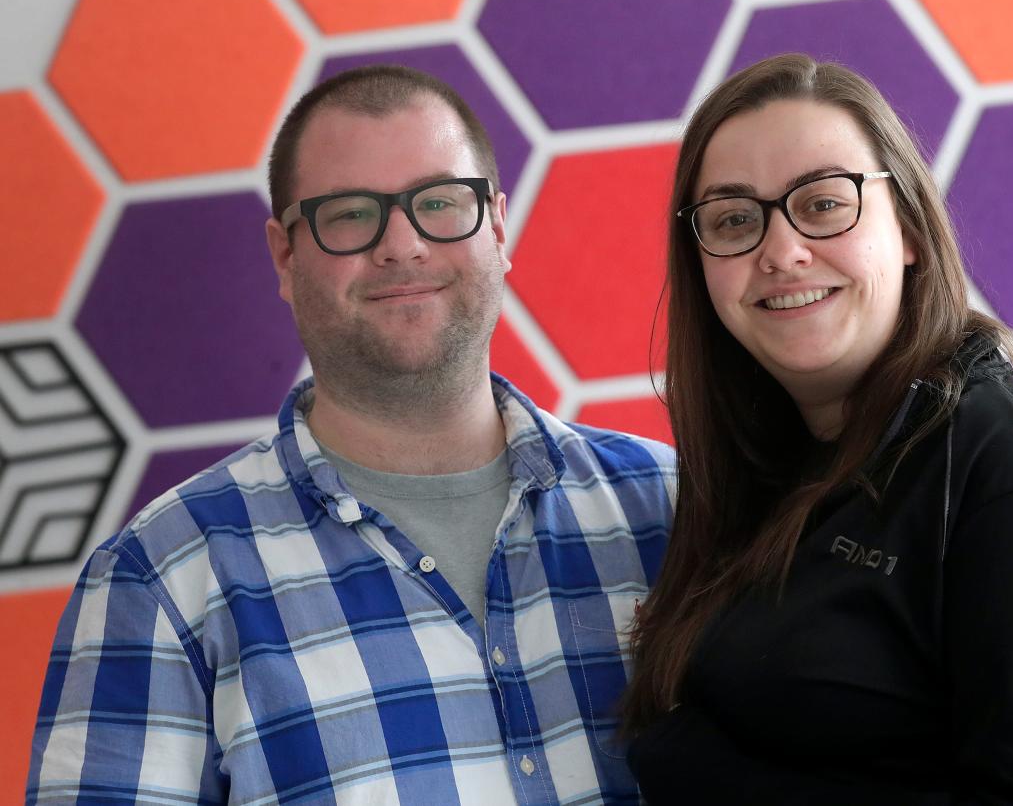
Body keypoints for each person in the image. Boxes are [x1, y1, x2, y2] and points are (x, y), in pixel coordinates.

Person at [28, 65, 675, 805]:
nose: (402, 244)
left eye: (439, 201)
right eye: (349, 213)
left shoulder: (669, 506)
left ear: (497, 227)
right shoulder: (165, 577)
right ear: (284, 254)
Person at [622, 53, 1013, 805]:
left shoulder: (1010, 461)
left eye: (823, 204)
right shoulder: (759, 475)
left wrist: (702, 772)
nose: (781, 250)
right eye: (733, 219)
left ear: (911, 229)